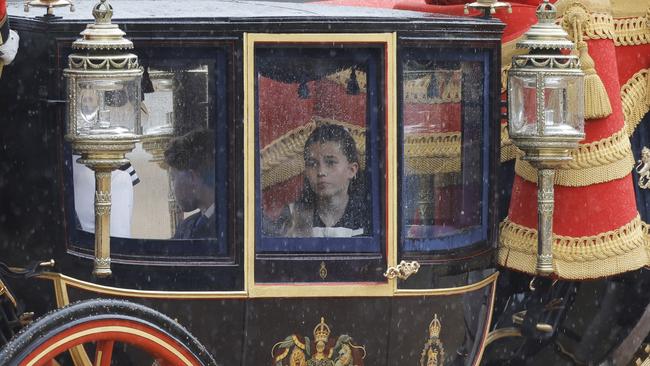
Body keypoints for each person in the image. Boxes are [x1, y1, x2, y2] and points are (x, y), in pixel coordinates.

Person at [266, 123, 369, 238]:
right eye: (312, 164)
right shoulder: (292, 215)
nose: (320, 172)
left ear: (352, 170)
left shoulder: (368, 217)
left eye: (330, 162)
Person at [164, 129, 216, 239]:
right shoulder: (188, 226)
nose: (173, 188)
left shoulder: (221, 229)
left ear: (192, 178)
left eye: (173, 178)